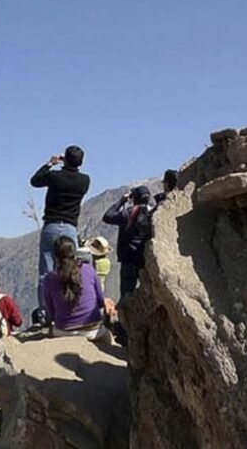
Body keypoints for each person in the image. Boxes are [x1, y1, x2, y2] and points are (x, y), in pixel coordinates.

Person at [29, 145, 90, 311]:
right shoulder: (85, 180)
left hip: (52, 225)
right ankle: (71, 306)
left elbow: (35, 181)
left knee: (46, 271)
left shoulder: (55, 177)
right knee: (71, 268)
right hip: (70, 228)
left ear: (65, 159)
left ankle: (45, 311)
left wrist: (50, 163)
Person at [42, 237, 108, 340]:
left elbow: (51, 311)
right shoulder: (89, 269)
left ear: (55, 255)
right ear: (75, 252)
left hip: (63, 331)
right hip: (93, 330)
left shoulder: (49, 279)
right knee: (109, 338)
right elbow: (100, 301)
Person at [103, 185, 160, 299]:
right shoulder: (154, 213)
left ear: (134, 198)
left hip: (128, 258)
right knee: (150, 295)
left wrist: (121, 201)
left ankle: (126, 315)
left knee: (126, 293)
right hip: (145, 258)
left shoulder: (128, 213)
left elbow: (107, 216)